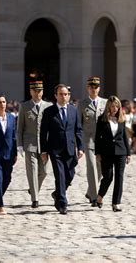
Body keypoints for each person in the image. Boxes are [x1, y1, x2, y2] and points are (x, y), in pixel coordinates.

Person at [40, 84, 84, 215]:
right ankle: (63, 204)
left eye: (66, 94)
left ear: (69, 96)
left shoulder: (73, 110)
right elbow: (43, 133)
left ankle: (57, 193)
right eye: (61, 94)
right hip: (55, 150)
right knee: (59, 176)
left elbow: (78, 130)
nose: (63, 97)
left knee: (70, 174)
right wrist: (44, 151)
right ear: (56, 96)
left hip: (70, 148)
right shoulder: (48, 112)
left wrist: (80, 147)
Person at [16, 81, 52, 208]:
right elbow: (20, 127)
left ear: (42, 92)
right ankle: (35, 199)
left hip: (45, 145)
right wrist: (19, 144)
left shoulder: (49, 106)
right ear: (31, 92)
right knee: (32, 170)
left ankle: (33, 189)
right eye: (35, 91)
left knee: (44, 172)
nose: (37, 93)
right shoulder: (24, 106)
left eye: (39, 91)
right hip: (30, 143)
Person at [95, 96, 131, 212]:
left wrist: (128, 153)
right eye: (112, 106)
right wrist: (98, 153)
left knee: (119, 177)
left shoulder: (121, 119)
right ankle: (100, 196)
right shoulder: (102, 119)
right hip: (106, 152)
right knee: (108, 177)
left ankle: (116, 203)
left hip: (121, 151)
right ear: (108, 107)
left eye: (116, 106)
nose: (114, 108)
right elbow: (97, 138)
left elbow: (125, 137)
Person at [77, 76, 107, 206]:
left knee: (100, 168)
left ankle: (90, 191)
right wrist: (79, 144)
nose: (93, 89)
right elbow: (79, 125)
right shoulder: (82, 104)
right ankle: (94, 197)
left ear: (99, 88)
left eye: (96, 87)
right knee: (91, 167)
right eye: (91, 87)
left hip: (102, 141)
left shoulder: (105, 103)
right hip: (88, 140)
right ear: (87, 88)